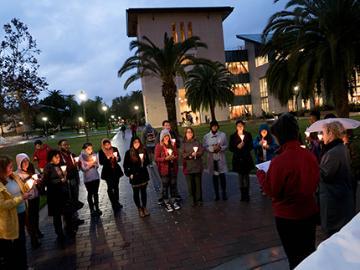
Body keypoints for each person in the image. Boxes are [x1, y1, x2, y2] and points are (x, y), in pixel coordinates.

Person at [256, 113, 319, 270]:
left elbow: (273, 191)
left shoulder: (280, 161)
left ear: (280, 136)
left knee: (294, 256)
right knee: (309, 252)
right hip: (309, 212)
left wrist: (262, 175)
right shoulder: (309, 156)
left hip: (288, 216)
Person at [319, 121, 355, 238]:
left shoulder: (333, 152)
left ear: (331, 134)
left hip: (334, 201)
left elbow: (325, 175)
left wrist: (314, 167)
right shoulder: (340, 148)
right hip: (340, 198)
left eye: (324, 133)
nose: (322, 136)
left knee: (334, 235)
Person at [0, 156, 31, 270]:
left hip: (22, 212)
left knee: (22, 242)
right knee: (15, 245)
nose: (12, 169)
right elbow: (2, 204)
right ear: (2, 168)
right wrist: (21, 198)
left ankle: (24, 265)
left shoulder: (14, 176)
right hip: (11, 218)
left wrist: (30, 185)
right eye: (10, 167)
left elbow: (23, 188)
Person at [43, 149, 76, 242]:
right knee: (57, 216)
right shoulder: (48, 167)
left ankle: (69, 229)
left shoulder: (60, 165)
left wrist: (65, 175)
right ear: (51, 158)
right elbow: (47, 181)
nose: (58, 158)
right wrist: (60, 181)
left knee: (67, 213)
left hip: (63, 194)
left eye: (59, 157)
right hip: (54, 196)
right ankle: (59, 234)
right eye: (56, 157)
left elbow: (65, 176)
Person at [15, 153, 43, 249]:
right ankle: (33, 239)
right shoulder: (17, 175)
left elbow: (38, 177)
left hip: (35, 196)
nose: (26, 163)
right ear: (19, 163)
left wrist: (39, 180)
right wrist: (29, 183)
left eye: (27, 160)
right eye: (24, 161)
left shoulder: (32, 170)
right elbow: (21, 189)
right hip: (28, 199)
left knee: (36, 215)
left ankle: (37, 230)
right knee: (30, 219)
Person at [58, 139, 84, 226]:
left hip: (74, 178)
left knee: (75, 198)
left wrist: (78, 165)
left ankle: (75, 217)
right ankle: (69, 220)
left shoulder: (72, 154)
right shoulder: (59, 156)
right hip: (66, 181)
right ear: (60, 146)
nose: (66, 146)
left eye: (67, 144)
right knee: (68, 200)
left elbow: (78, 165)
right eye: (64, 145)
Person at [124, 137, 150, 217]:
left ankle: (144, 207)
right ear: (132, 143)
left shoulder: (143, 150)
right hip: (134, 176)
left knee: (143, 192)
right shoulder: (128, 153)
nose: (137, 143)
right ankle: (139, 208)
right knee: (136, 193)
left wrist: (143, 161)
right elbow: (125, 165)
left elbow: (148, 162)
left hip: (143, 174)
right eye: (135, 142)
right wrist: (129, 174)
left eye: (138, 142)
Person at [155, 129, 180, 212]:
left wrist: (174, 157)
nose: (166, 138)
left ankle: (173, 201)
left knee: (173, 186)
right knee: (165, 187)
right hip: (164, 169)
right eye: (164, 136)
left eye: (167, 136)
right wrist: (165, 158)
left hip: (172, 168)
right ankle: (167, 203)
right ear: (162, 137)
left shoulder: (172, 144)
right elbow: (156, 158)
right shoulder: (159, 146)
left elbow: (176, 154)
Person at [229, 120, 254, 202]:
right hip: (238, 159)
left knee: (246, 176)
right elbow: (231, 148)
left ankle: (247, 195)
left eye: (241, 125)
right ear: (236, 127)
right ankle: (242, 195)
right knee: (240, 177)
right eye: (238, 126)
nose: (240, 127)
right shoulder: (233, 136)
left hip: (246, 158)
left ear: (243, 126)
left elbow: (251, 146)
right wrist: (237, 147)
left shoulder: (248, 135)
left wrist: (244, 145)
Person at [203, 120, 228, 201]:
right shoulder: (206, 136)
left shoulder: (223, 135)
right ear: (211, 127)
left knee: (222, 177)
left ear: (218, 126)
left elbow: (226, 145)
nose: (214, 127)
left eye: (216, 126)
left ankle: (224, 193)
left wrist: (220, 148)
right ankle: (216, 194)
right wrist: (211, 148)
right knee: (215, 177)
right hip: (212, 159)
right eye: (213, 126)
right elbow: (205, 147)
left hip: (220, 158)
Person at [99, 138, 124, 212]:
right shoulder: (101, 152)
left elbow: (119, 159)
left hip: (116, 170)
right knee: (110, 188)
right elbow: (101, 162)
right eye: (105, 144)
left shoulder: (114, 149)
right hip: (107, 172)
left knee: (116, 187)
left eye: (108, 144)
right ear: (103, 145)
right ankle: (113, 203)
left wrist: (117, 158)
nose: (107, 146)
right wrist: (108, 158)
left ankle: (117, 202)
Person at [79, 143, 102, 217]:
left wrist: (95, 164)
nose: (90, 150)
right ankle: (92, 210)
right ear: (84, 149)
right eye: (88, 149)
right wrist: (90, 165)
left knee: (95, 193)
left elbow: (97, 165)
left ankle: (97, 208)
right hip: (88, 179)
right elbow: (83, 169)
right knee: (90, 193)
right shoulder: (81, 157)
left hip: (95, 177)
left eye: (91, 148)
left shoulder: (94, 155)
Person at [182, 127, 204, 206]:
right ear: (185, 134)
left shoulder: (197, 142)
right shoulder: (183, 143)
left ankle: (199, 199)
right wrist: (190, 154)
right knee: (190, 186)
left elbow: (201, 151)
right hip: (188, 167)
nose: (189, 133)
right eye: (188, 132)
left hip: (197, 165)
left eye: (191, 132)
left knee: (198, 185)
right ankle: (192, 200)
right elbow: (183, 154)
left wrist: (197, 154)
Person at [343, 130, 360, 204]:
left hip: (352, 174)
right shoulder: (341, 146)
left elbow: (355, 160)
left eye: (343, 135)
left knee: (351, 195)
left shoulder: (352, 146)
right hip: (344, 175)